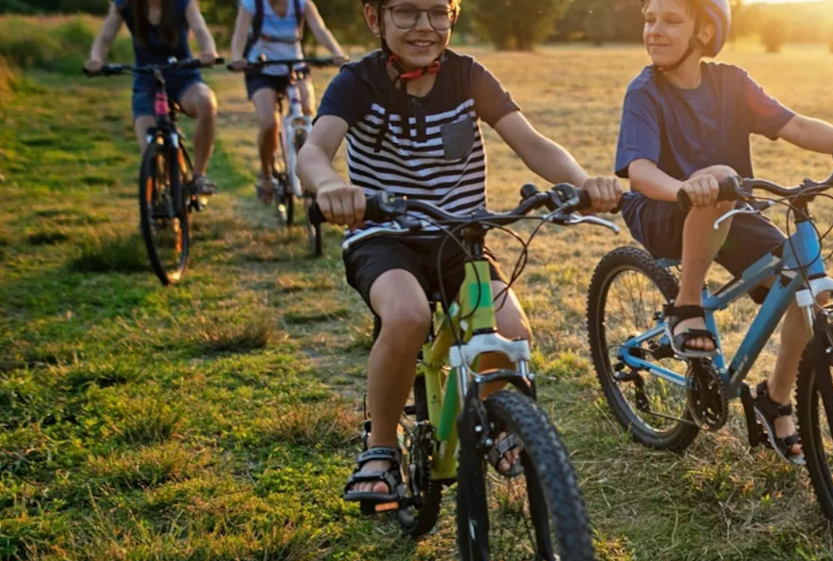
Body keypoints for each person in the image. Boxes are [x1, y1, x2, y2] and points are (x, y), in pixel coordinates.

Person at [297, 0, 623, 508]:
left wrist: (582, 185)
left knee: (511, 332)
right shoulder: (357, 82)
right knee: (404, 316)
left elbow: (531, 142)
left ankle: (495, 421)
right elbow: (313, 152)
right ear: (373, 18)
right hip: (384, 236)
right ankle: (380, 447)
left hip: (460, 237)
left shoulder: (468, 77)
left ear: (453, 16)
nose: (424, 26)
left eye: (437, 12)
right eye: (405, 12)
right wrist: (330, 187)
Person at [616, 0, 833, 465]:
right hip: (662, 211)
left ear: (704, 33)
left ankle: (774, 399)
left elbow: (797, 125)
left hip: (728, 211)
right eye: (650, 20)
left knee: (807, 288)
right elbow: (640, 171)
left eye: (670, 20)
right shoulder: (645, 91)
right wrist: (685, 188)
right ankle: (686, 305)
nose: (654, 30)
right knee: (723, 179)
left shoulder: (731, 82)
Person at [86, 0, 220, 195]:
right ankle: (157, 203)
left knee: (206, 102)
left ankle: (199, 176)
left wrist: (209, 51)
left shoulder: (183, 3)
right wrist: (96, 59)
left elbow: (200, 29)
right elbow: (106, 37)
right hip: (146, 81)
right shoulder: (124, 5)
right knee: (150, 149)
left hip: (183, 77)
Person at [229, 0, 347, 204]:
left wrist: (336, 52)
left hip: (295, 68)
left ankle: (314, 168)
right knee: (269, 123)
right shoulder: (251, 5)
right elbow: (240, 35)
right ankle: (266, 175)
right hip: (262, 70)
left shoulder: (302, 5)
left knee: (309, 116)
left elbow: (320, 29)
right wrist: (238, 57)